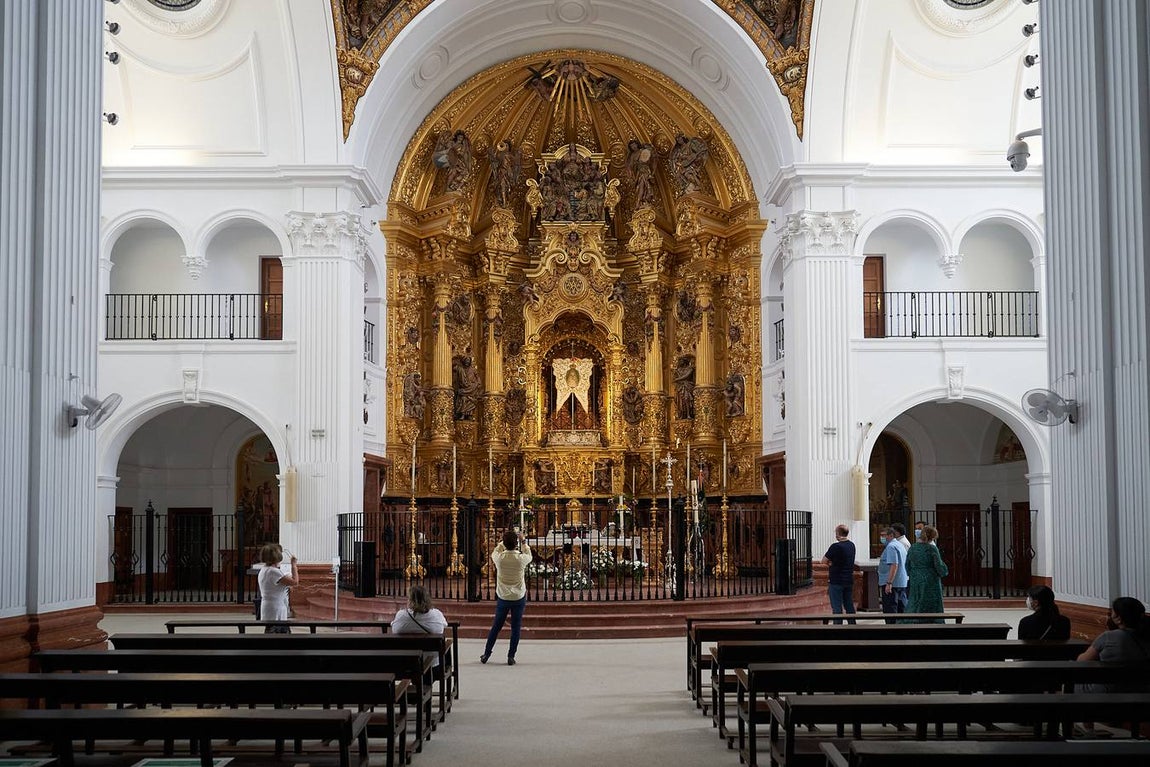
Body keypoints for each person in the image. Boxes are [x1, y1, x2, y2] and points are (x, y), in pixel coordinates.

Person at [481, 529, 533, 666]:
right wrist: (523, 540)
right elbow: (529, 554)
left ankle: (486, 653)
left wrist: (503, 542)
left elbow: (495, 551)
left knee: (496, 626)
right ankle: (511, 656)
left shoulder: (500, 558)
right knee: (516, 627)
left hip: (503, 597)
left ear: (504, 543)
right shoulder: (521, 559)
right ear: (516, 544)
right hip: (518, 596)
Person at [1077, 596, 1150, 691]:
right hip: (1142, 691)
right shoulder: (1147, 635)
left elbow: (1082, 662)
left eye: (1112, 612)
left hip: (1109, 691)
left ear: (1118, 618)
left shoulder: (1108, 637)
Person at [392, 584, 449, 668]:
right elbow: (444, 625)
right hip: (432, 664)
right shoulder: (436, 614)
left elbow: (394, 629)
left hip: (406, 664)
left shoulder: (401, 616)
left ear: (410, 600)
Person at [905, 525, 949, 622]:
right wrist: (944, 571)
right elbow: (939, 565)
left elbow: (907, 564)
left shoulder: (913, 547)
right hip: (930, 579)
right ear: (932, 537)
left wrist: (912, 574)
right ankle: (932, 621)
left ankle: (912, 620)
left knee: (915, 600)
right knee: (930, 602)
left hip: (916, 578)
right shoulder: (932, 548)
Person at [257, 542, 297, 633]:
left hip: (268, 606)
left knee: (271, 632)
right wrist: (294, 565)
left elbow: (273, 586)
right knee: (279, 634)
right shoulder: (274, 571)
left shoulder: (264, 570)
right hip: (276, 608)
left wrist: (285, 586)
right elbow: (295, 582)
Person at [821, 524, 856, 624]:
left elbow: (823, 561)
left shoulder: (836, 546)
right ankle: (853, 626)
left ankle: (837, 627)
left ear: (838, 534)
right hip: (848, 579)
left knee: (837, 606)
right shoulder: (851, 545)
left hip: (836, 580)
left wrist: (832, 563)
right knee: (849, 604)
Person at [878, 525, 908, 623]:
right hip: (900, 582)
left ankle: (892, 631)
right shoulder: (899, 544)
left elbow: (894, 565)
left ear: (891, 535)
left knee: (891, 609)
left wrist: (889, 583)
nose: (882, 538)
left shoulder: (891, 546)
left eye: (884, 535)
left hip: (892, 584)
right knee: (900, 608)